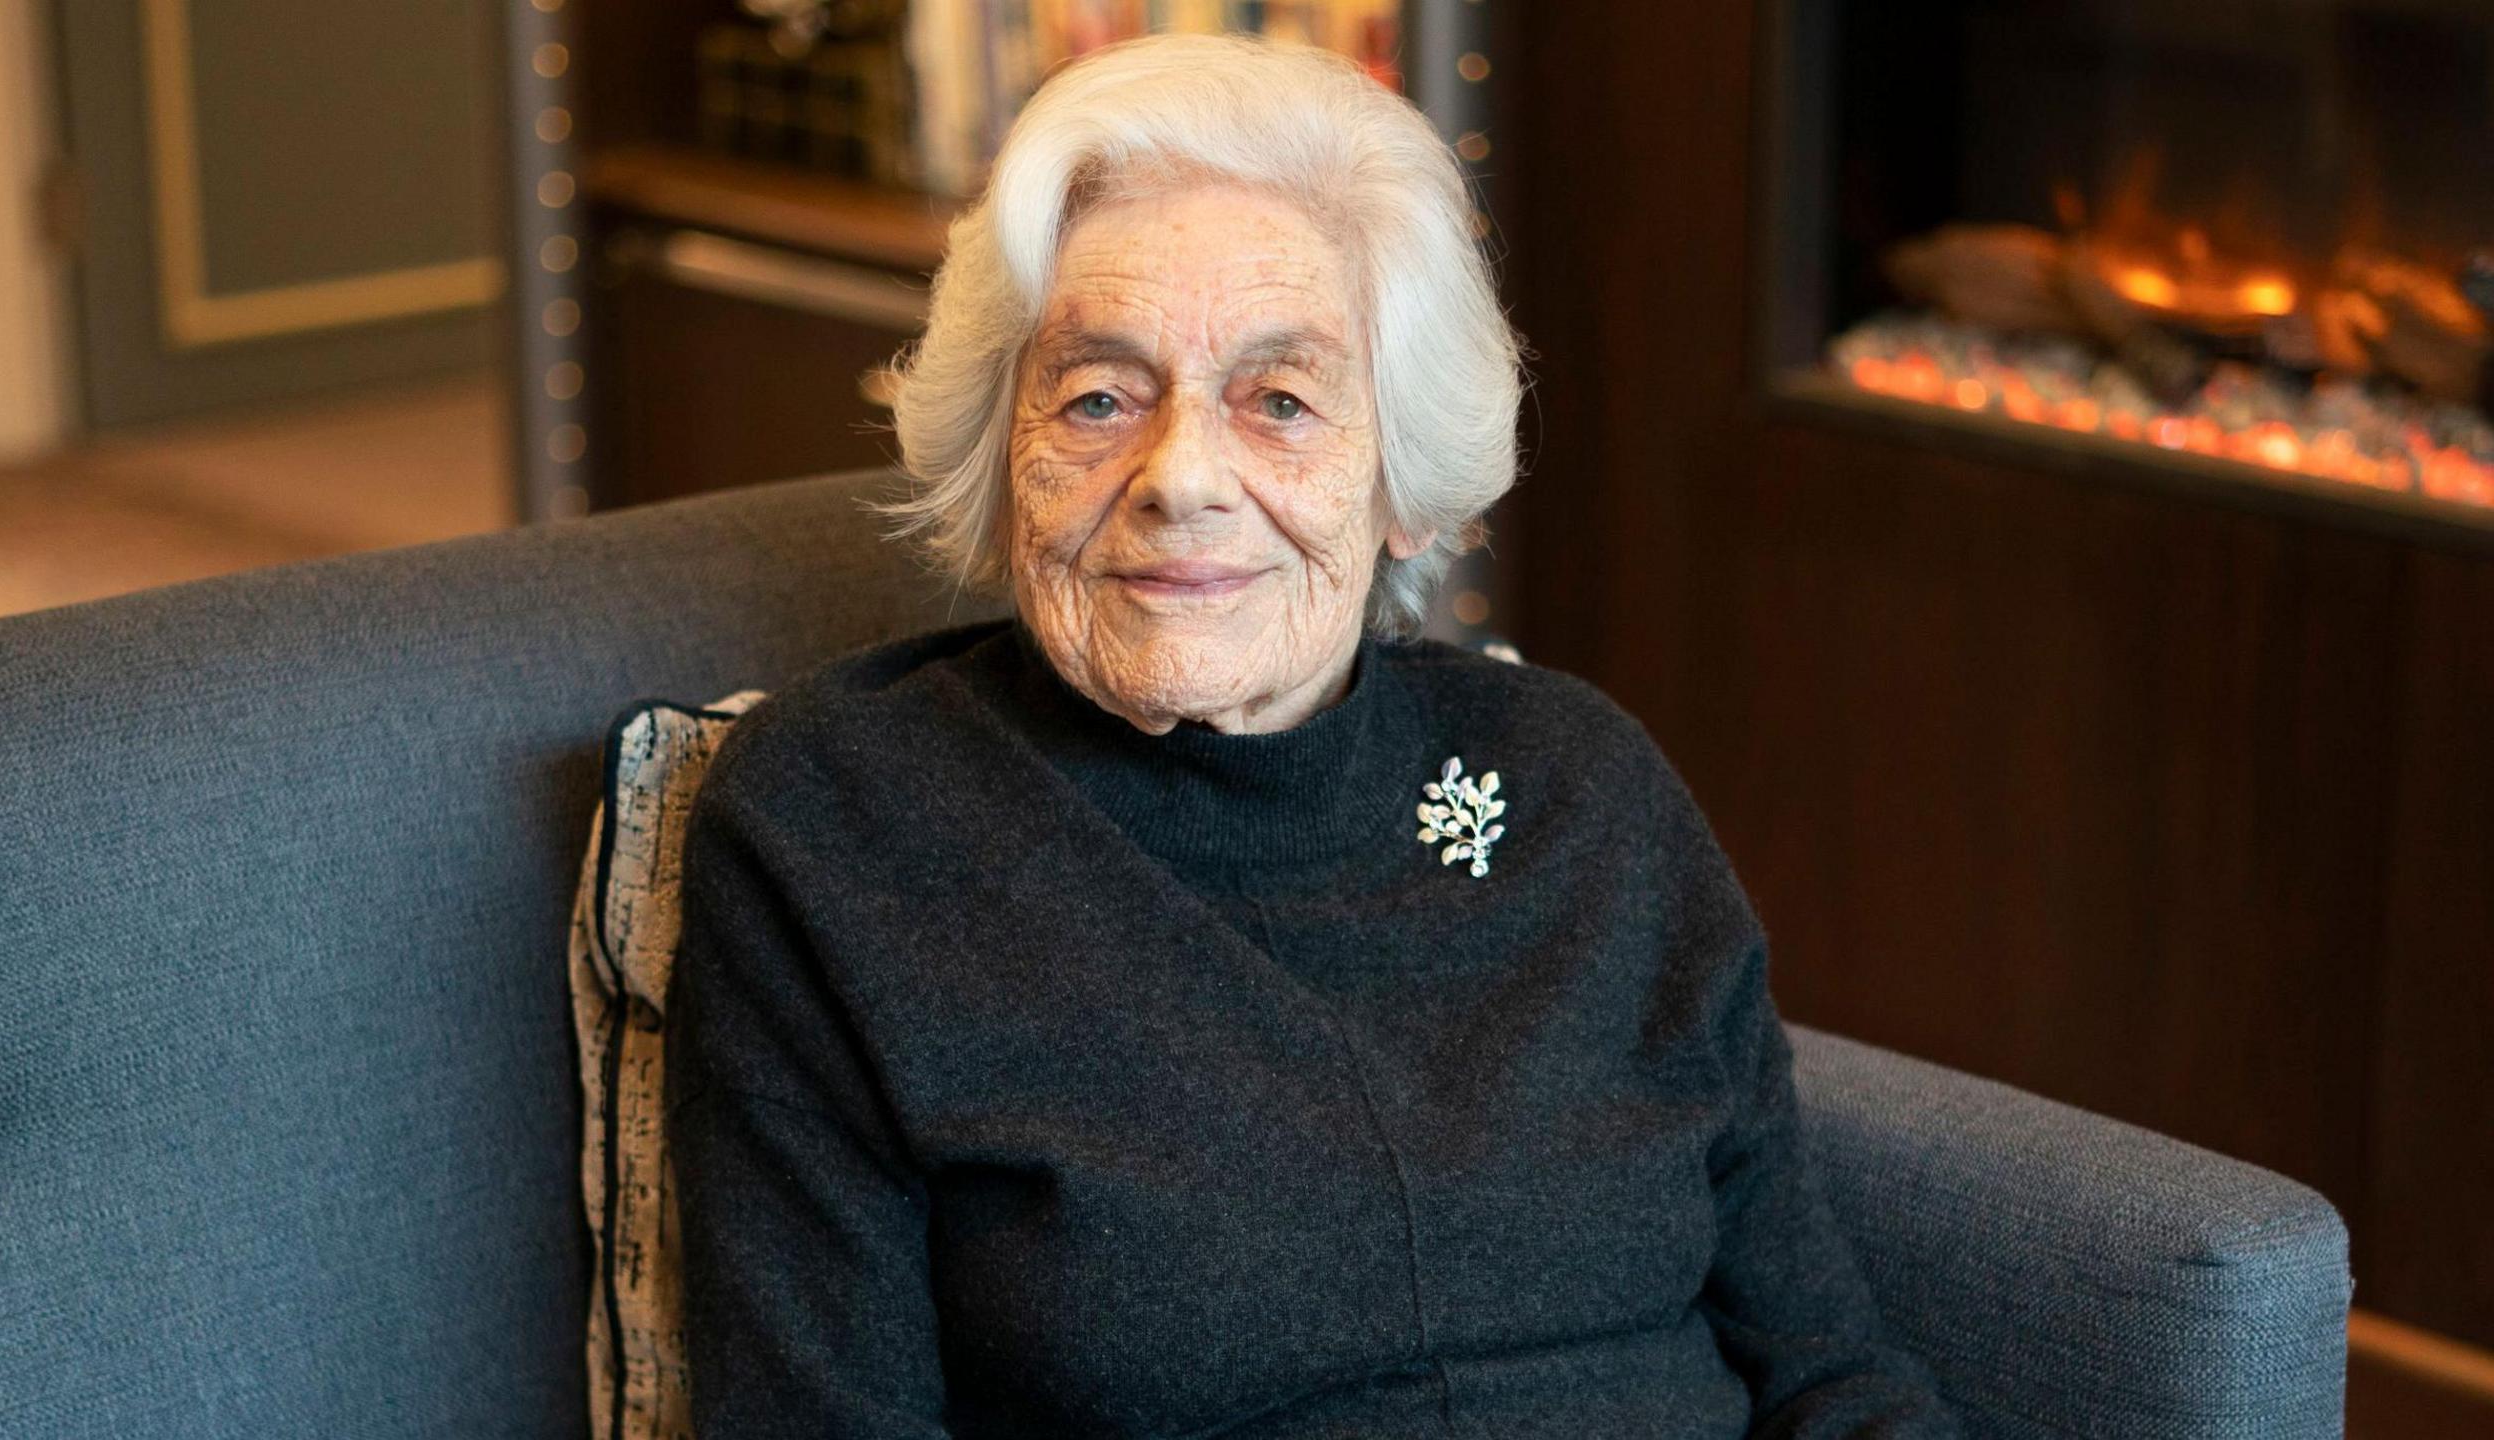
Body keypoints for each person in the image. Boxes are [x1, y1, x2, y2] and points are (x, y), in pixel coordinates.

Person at [663, 30, 1963, 1438]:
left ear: (1402, 482)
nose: (1182, 480)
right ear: (999, 462)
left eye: (1280, 402)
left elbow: (1829, 1368)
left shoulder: (1582, 790)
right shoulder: (846, 831)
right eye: (1099, 397)